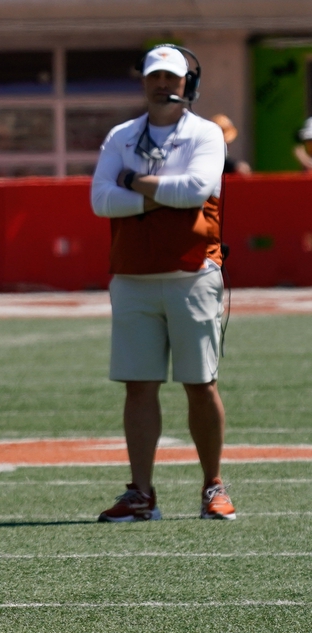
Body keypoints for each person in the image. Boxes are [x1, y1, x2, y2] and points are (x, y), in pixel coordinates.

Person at [91, 45, 234, 523]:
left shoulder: (206, 133)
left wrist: (133, 181)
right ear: (144, 82)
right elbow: (100, 201)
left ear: (187, 83)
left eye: (172, 78)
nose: (163, 86)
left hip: (192, 273)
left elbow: (195, 191)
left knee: (200, 384)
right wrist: (158, 195)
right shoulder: (121, 134)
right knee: (138, 387)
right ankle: (141, 492)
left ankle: (213, 485)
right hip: (132, 275)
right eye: (155, 77)